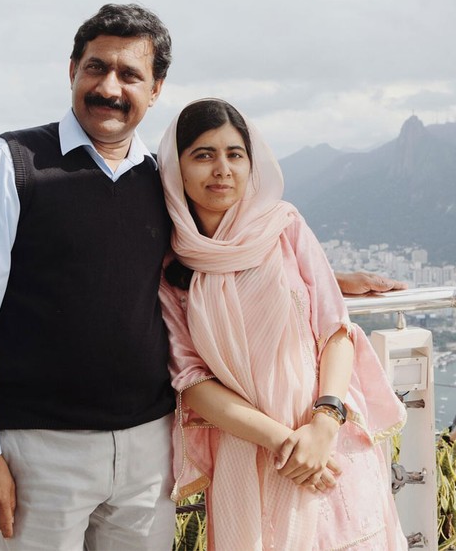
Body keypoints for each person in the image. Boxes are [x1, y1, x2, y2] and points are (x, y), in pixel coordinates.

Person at [0, 4, 405, 549]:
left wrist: (325, 276)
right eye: (96, 67)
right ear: (72, 70)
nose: (110, 87)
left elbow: (215, 252)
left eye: (130, 74)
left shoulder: (160, 184)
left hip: (147, 450)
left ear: (155, 89)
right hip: (42, 449)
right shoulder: (13, 163)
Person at [157, 99, 407, 550]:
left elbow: (336, 329)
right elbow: (191, 381)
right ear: (177, 167)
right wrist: (288, 444)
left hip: (330, 442)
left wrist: (323, 425)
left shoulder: (283, 227)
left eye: (235, 154)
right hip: (250, 452)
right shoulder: (171, 265)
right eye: (203, 154)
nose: (222, 169)